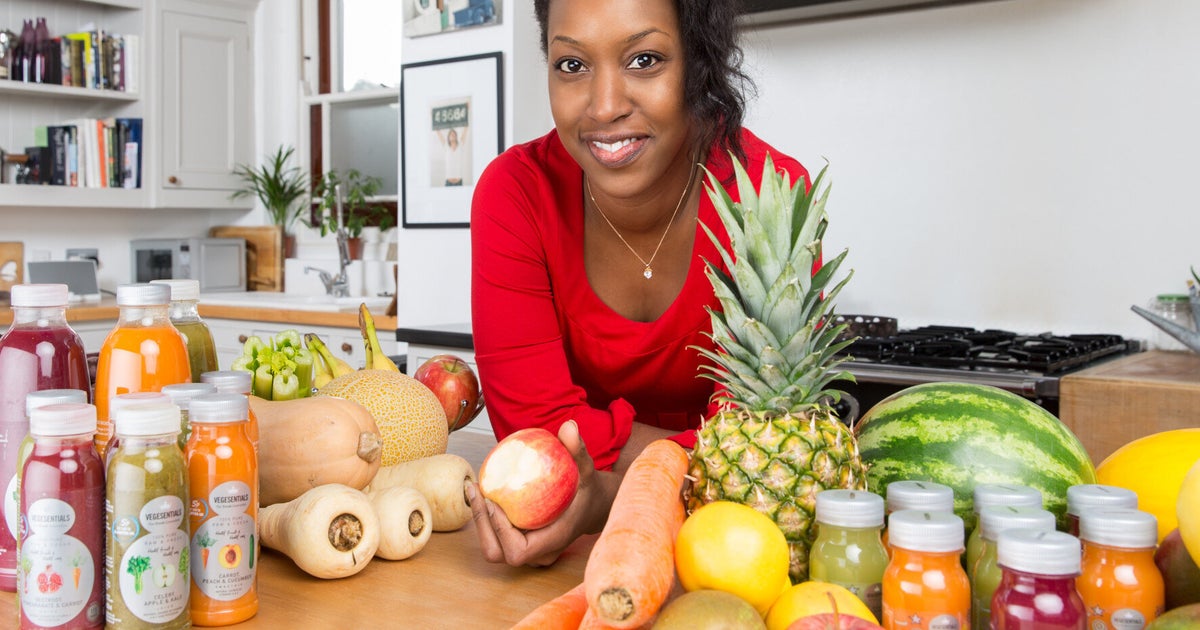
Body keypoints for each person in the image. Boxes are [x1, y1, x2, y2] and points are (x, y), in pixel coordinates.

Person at [466, 0, 809, 567]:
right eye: (572, 66)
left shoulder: (770, 198)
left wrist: (604, 488)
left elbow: (761, 457)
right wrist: (692, 449)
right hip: (589, 567)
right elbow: (536, 429)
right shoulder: (515, 195)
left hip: (736, 556)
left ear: (697, 62)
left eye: (644, 59)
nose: (603, 107)